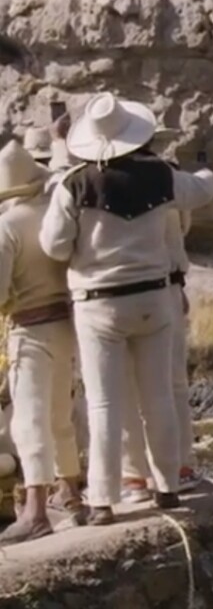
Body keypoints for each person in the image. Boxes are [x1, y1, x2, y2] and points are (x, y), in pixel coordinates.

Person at [40, 93, 213, 525]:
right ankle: (168, 487)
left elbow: (54, 246)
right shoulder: (161, 175)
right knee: (158, 395)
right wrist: (208, 166)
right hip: (154, 297)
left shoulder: (74, 185)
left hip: (100, 304)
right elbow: (203, 190)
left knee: (104, 404)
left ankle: (102, 497)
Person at [0, 137, 84, 543]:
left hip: (29, 330)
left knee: (28, 422)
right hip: (67, 323)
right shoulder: (52, 213)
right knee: (60, 416)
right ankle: (71, 492)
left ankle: (35, 511)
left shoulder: (6, 226)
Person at [121, 125, 201, 503]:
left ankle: (135, 477)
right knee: (171, 385)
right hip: (166, 286)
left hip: (126, 292)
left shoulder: (103, 178)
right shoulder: (167, 176)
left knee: (128, 388)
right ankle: (179, 467)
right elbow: (183, 229)